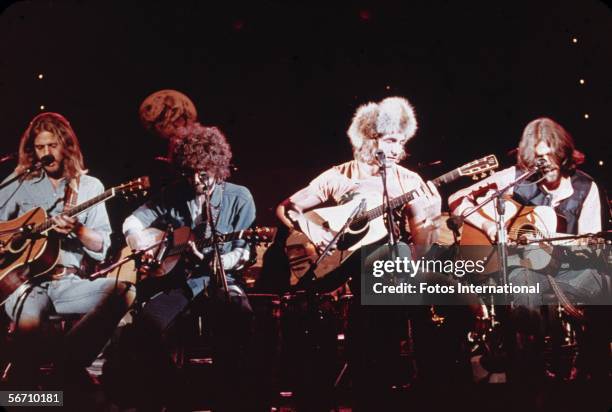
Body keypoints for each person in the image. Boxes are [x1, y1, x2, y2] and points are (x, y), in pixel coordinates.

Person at [276, 97, 464, 407]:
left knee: (402, 257)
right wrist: (315, 231)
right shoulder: (339, 175)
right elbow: (289, 208)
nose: (396, 148)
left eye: (400, 142)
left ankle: (415, 377)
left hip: (391, 275)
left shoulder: (409, 180)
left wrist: (429, 215)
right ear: (370, 137)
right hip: (346, 266)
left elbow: (421, 248)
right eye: (390, 140)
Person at [449, 117, 609, 380]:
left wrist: (553, 247)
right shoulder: (515, 178)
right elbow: (457, 200)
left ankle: (589, 373)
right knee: (524, 280)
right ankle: (528, 371)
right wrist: (489, 228)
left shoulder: (586, 187)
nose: (546, 164)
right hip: (521, 269)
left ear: (562, 152)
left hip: (570, 268)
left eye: (550, 155)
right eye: (538, 158)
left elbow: (593, 248)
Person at [116, 121, 256, 409]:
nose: (195, 180)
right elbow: (132, 221)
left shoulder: (239, 197)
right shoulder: (174, 193)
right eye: (189, 172)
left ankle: (229, 397)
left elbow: (244, 253)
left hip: (221, 278)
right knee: (143, 327)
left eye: (201, 173)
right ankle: (178, 393)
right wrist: (141, 245)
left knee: (238, 316)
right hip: (180, 281)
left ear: (217, 167)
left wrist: (210, 258)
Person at [0, 112, 135, 385]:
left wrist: (78, 229)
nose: (46, 153)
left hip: (68, 283)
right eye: (40, 147)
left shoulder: (89, 187)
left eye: (52, 146)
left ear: (67, 146)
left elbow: (102, 246)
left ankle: (68, 362)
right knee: (31, 310)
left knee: (124, 291)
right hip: (22, 283)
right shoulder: (20, 184)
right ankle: (23, 393)